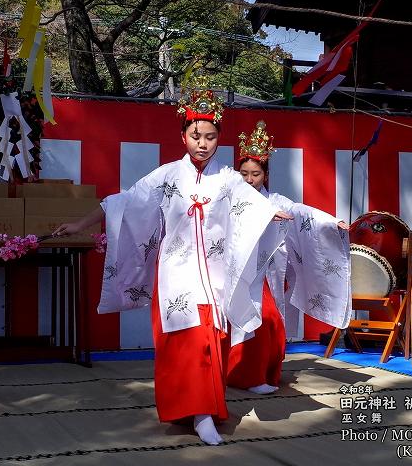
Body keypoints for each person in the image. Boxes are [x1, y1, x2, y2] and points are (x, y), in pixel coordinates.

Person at [54, 88, 292, 445]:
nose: (203, 144)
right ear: (183, 136)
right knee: (188, 345)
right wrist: (79, 224)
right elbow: (123, 203)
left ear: (218, 140)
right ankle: (197, 414)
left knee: (212, 344)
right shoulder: (166, 176)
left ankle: (204, 411)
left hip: (214, 280)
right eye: (196, 136)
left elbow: (254, 202)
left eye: (210, 137)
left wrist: (271, 212)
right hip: (177, 277)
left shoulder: (227, 179)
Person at [225, 121, 351, 395]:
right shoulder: (231, 200)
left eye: (255, 174)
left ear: (265, 175)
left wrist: (331, 223)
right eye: (244, 173)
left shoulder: (276, 201)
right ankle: (247, 376)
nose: (249, 180)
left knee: (272, 322)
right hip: (239, 272)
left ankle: (266, 374)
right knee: (259, 319)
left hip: (266, 275)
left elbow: (301, 211)